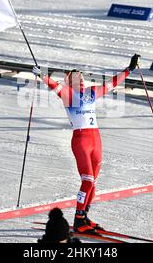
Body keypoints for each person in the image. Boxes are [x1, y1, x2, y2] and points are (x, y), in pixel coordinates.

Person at [32, 54, 141, 235]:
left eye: (81, 75)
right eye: (76, 76)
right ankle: (78, 219)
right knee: (87, 181)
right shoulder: (68, 95)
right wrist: (41, 75)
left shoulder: (92, 92)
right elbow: (54, 85)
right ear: (70, 82)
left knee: (94, 182)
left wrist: (129, 69)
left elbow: (112, 83)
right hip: (81, 141)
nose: (81, 77)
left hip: (95, 140)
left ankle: (85, 217)